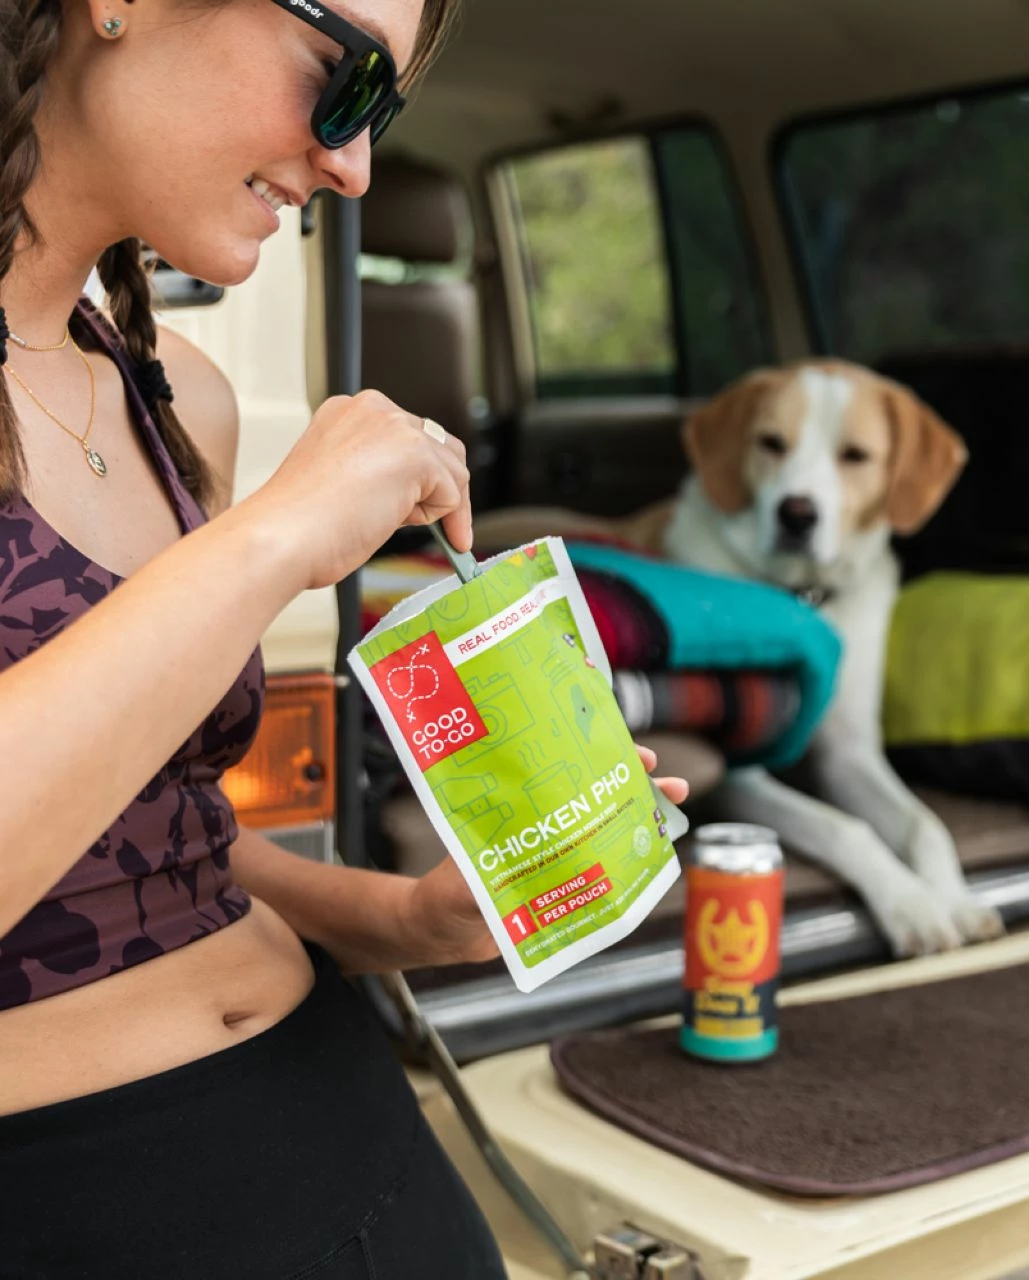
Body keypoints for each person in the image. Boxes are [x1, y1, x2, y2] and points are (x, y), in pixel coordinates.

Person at [0, 0, 689, 1275]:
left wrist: (401, 916)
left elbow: (162, 845)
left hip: (344, 1127)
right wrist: (269, 542)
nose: (352, 165)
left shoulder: (177, 400)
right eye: (342, 74)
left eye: (380, 113)